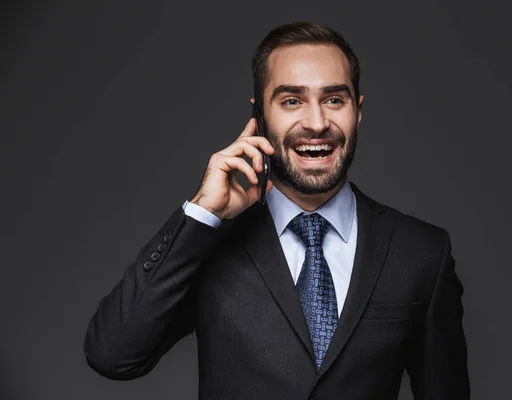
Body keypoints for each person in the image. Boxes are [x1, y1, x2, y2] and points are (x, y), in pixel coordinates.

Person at [84, 21, 470, 399]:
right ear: (260, 118)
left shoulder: (422, 253)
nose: (317, 123)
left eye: (334, 99)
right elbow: (112, 355)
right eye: (291, 101)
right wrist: (202, 214)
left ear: (358, 111)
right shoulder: (210, 242)